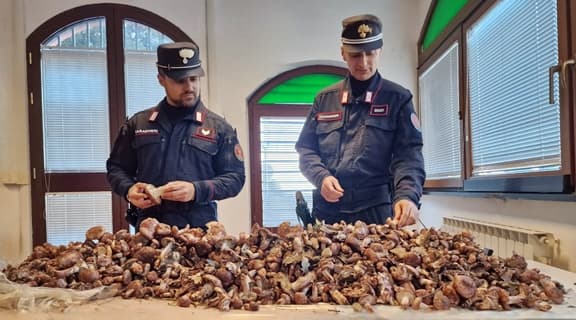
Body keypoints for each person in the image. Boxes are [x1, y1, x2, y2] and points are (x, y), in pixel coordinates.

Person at [295, 14, 425, 227]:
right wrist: (321, 177)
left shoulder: (398, 98)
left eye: (370, 53)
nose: (363, 63)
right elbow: (306, 150)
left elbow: (409, 155)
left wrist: (408, 195)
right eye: (355, 55)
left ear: (380, 51)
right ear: (343, 53)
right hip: (329, 209)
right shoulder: (324, 99)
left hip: (376, 211)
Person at [107, 41, 245, 229]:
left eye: (194, 78)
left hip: (200, 235)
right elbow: (116, 169)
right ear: (161, 79)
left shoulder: (220, 128)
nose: (189, 87)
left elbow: (235, 178)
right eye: (180, 80)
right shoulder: (138, 124)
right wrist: (129, 189)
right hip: (150, 232)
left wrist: (196, 190)